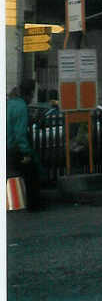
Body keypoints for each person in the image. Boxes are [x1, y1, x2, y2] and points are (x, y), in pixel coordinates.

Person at [6, 79, 42, 210]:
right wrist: (26, 152)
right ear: (30, 93)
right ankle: (34, 205)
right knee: (32, 173)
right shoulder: (21, 107)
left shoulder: (9, 103)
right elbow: (20, 133)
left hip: (7, 147)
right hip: (15, 149)